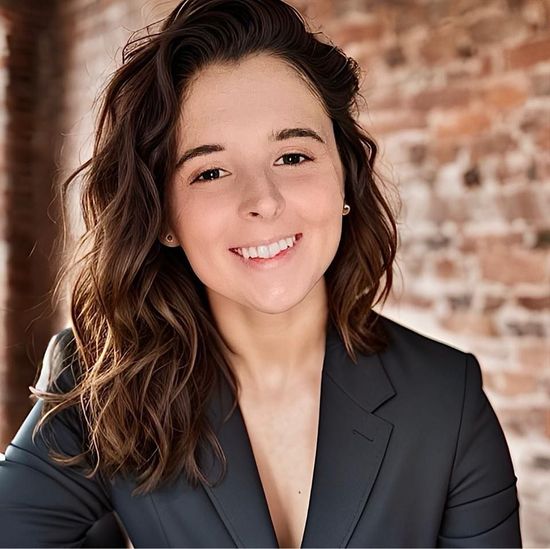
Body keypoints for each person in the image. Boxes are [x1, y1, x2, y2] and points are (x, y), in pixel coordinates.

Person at [0, 0, 522, 547]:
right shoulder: (100, 383)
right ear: (165, 220)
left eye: (293, 157)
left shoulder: (448, 398)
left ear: (344, 179)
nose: (264, 201)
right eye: (211, 170)